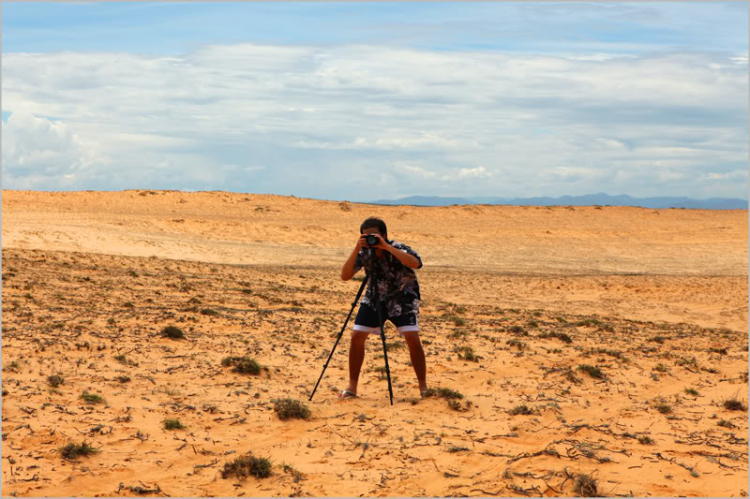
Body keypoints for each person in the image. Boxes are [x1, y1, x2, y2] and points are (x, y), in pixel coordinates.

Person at [339, 216, 427, 399]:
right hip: (375, 298)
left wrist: (386, 247)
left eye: (374, 236)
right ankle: (352, 387)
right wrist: (357, 248)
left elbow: (416, 263)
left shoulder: (398, 247)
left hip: (403, 297)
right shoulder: (364, 252)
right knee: (356, 336)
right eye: (366, 236)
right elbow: (345, 275)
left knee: (411, 336)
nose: (371, 239)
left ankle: (423, 387)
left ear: (384, 235)